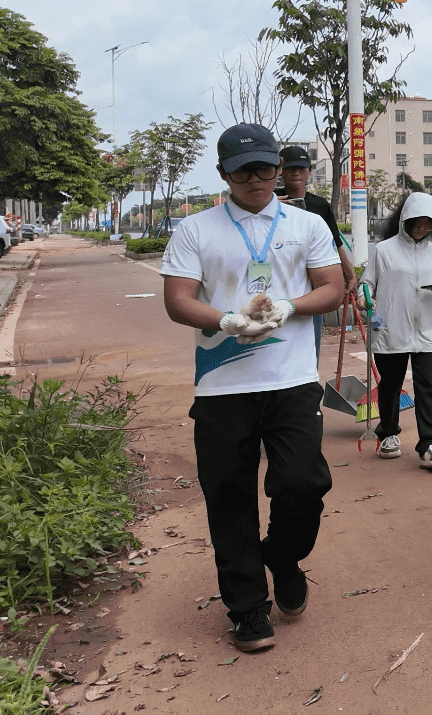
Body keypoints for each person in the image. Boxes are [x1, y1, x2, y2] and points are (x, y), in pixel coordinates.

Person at [158, 123, 343, 653]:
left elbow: (332, 287)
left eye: (266, 168)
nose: (258, 179)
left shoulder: (306, 224)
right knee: (229, 498)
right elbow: (177, 299)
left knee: (302, 484)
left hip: (292, 380)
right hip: (222, 386)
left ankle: (282, 557)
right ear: (224, 174)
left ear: (279, 169)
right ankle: (247, 609)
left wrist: (289, 306)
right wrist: (227, 321)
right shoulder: (197, 230)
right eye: (244, 171)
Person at [366, 192, 432, 468]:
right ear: (405, 220)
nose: (422, 228)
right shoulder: (384, 250)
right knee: (390, 385)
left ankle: (431, 444)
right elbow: (367, 282)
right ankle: (388, 435)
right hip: (393, 328)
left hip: (427, 329)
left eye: (428, 224)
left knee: (428, 386)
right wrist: (364, 295)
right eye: (417, 222)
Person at [277, 145, 357, 357]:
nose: (296, 173)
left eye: (301, 168)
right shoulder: (267, 202)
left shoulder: (319, 205)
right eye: (290, 168)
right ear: (279, 172)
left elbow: (335, 243)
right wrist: (268, 207)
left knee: (310, 346)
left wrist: (350, 275)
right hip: (279, 285)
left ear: (308, 172)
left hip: (313, 287)